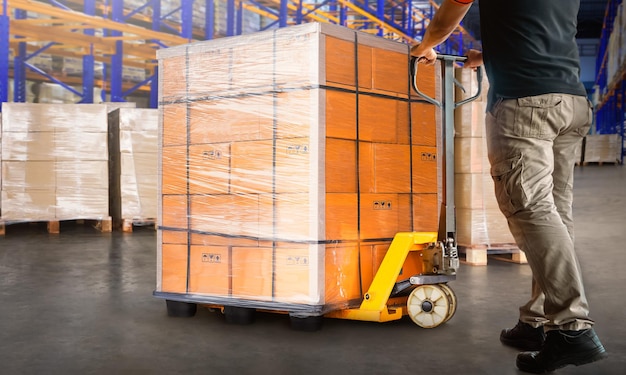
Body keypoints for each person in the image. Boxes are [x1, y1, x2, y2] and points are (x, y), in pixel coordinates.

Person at [411, 0, 608, 373]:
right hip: (570, 101)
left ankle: (572, 327)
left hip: (526, 102)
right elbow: (538, 25)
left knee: (531, 211)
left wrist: (425, 45)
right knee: (554, 215)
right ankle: (537, 322)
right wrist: (489, 55)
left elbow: (454, 5)